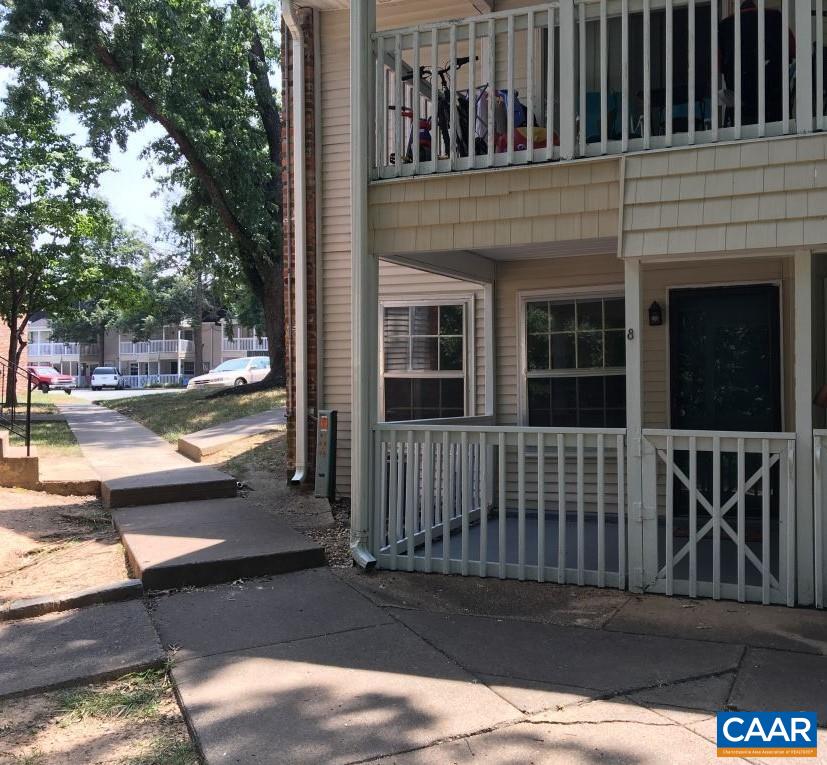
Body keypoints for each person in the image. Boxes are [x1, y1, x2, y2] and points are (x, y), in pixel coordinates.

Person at [719, 0, 796, 125]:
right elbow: (793, 50)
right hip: (775, 98)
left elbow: (718, 65)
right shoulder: (775, 19)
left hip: (742, 101)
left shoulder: (724, 27)